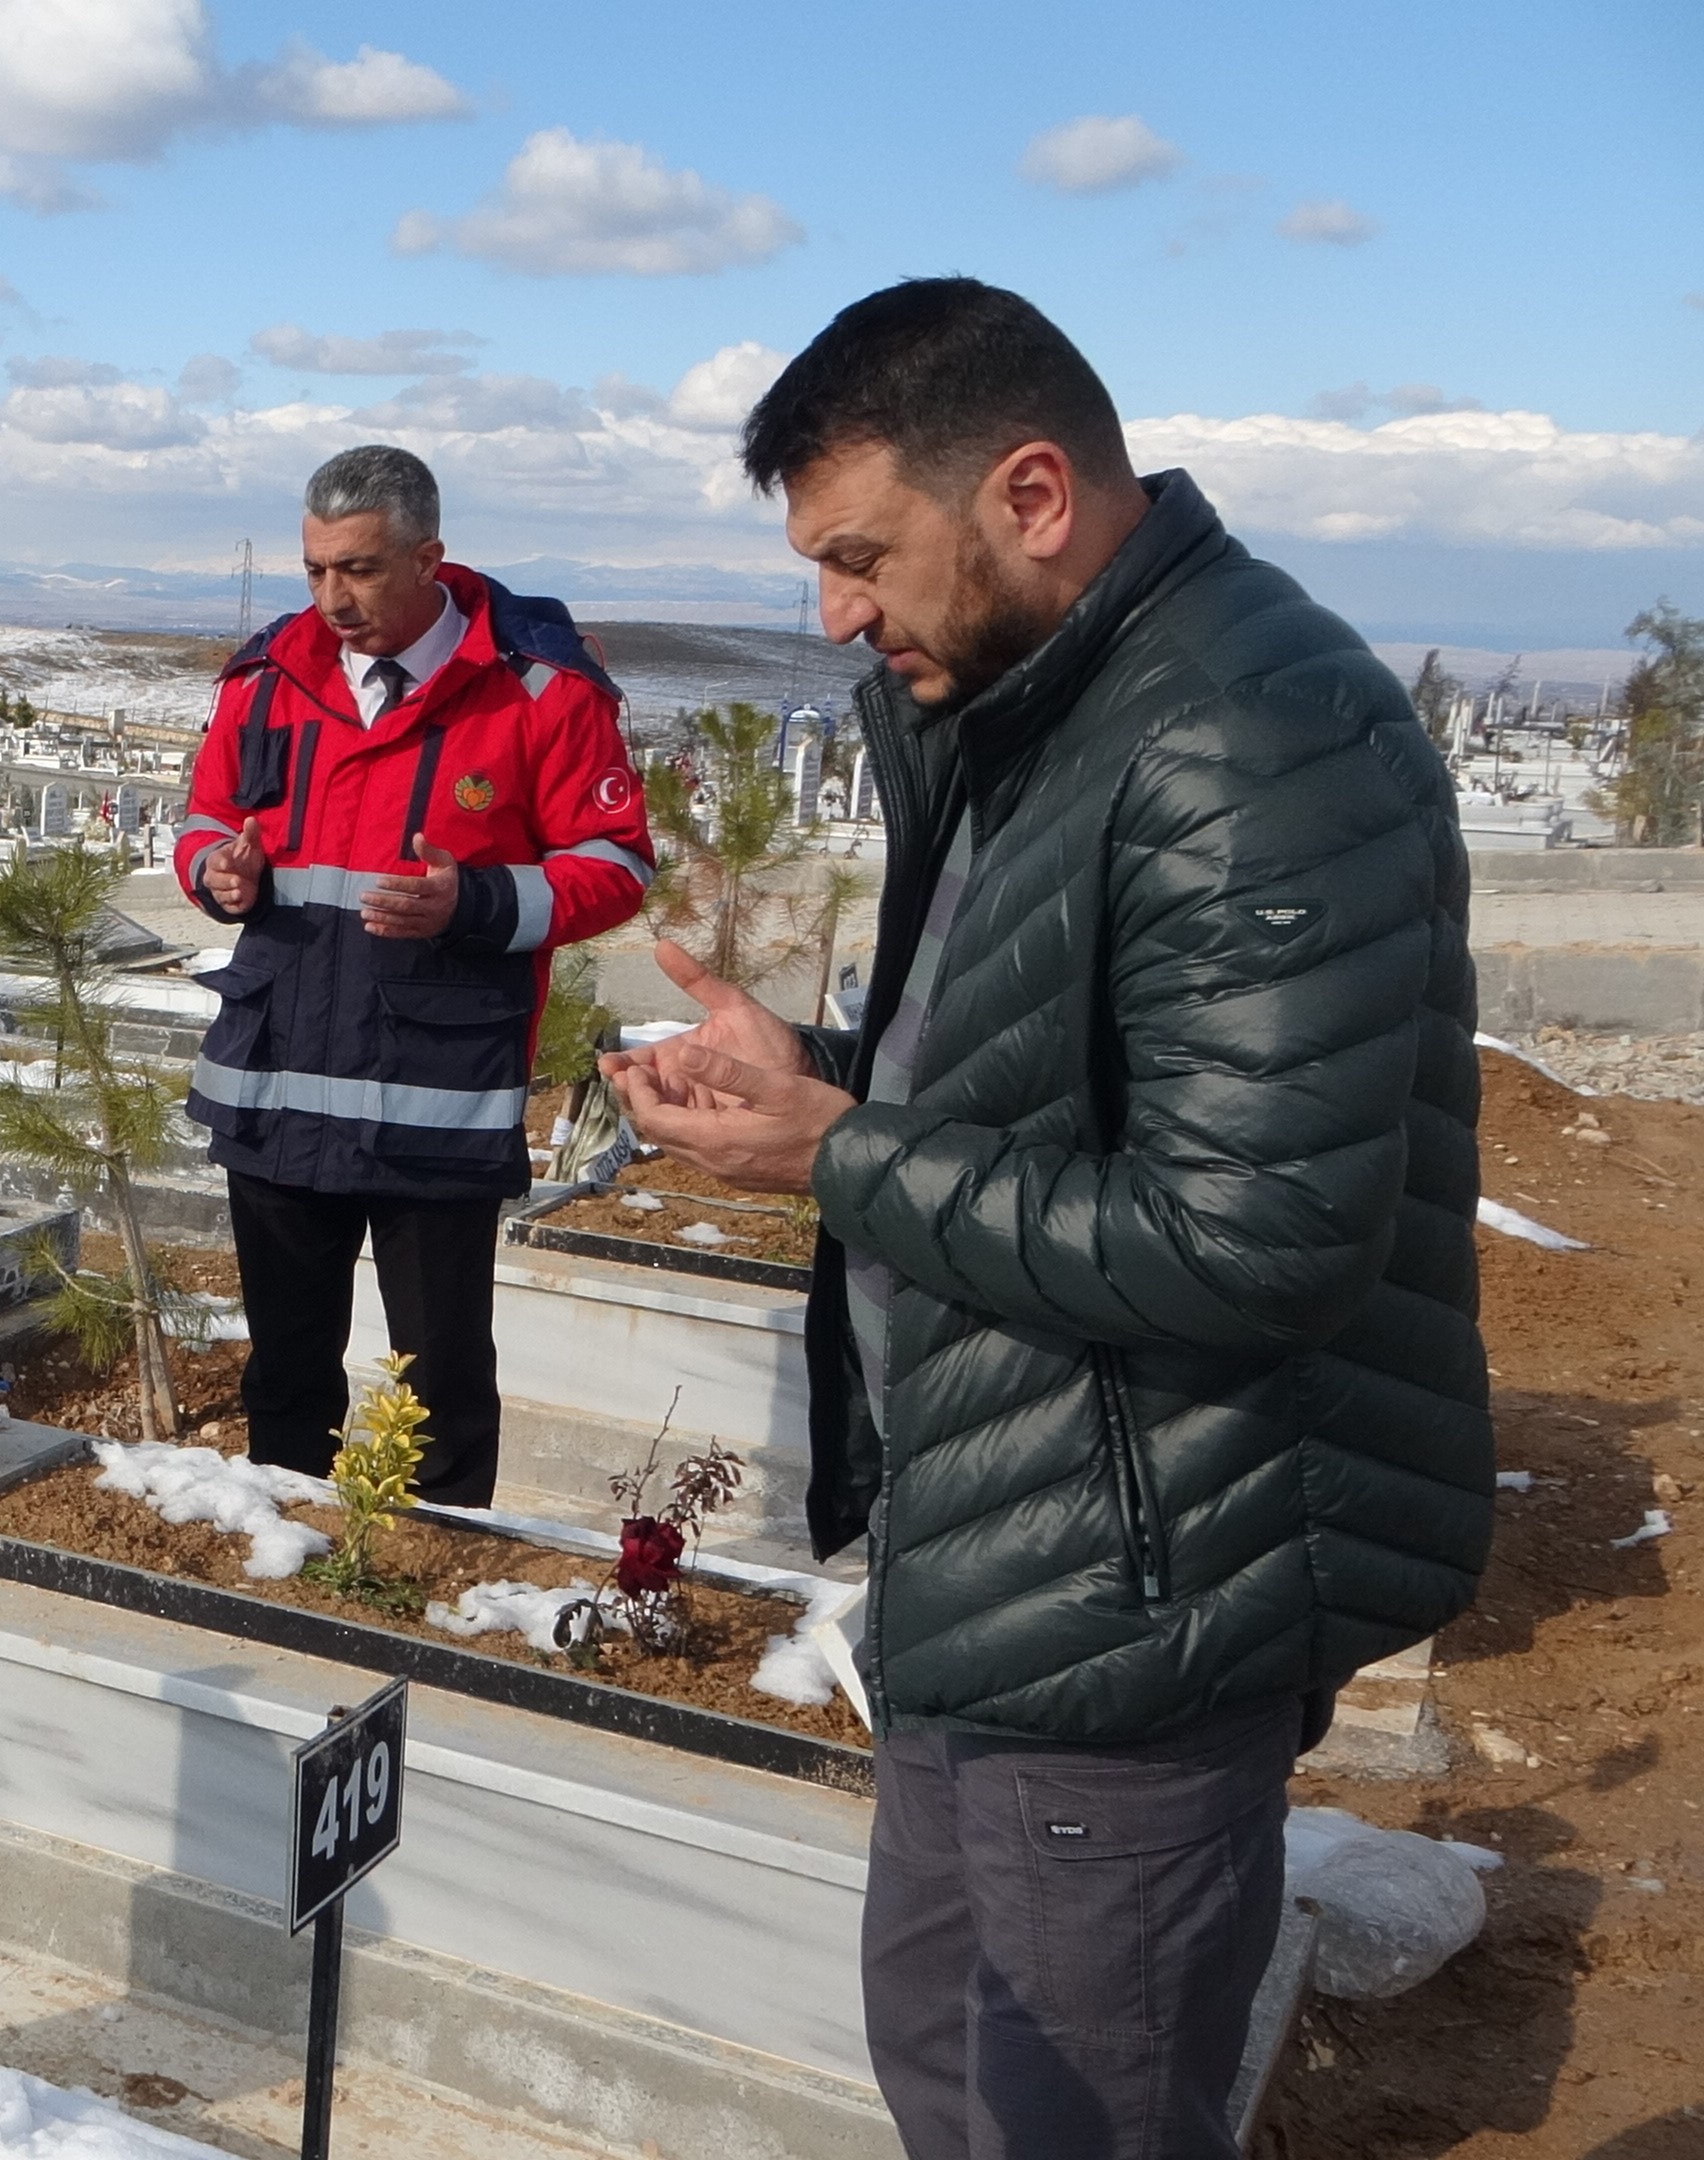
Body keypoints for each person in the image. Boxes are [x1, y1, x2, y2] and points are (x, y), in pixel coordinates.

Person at [602, 279, 1492, 2158]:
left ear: (1029, 495)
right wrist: (815, 1071)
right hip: (1007, 1553)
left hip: (1135, 1599)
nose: (832, 612)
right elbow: (1044, 1081)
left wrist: (835, 1153)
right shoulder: (1043, 707)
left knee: (1068, 2114)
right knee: (954, 2064)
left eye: (860, 556)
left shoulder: (1247, 742)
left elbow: (1253, 1235)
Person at [174, 445, 654, 1499]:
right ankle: (291, 1572)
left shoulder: (540, 691)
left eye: (360, 569)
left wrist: (474, 901)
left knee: (439, 1394)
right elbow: (209, 816)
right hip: (277, 1090)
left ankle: (435, 1606)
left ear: (430, 556)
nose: (331, 599)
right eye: (314, 570)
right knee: (286, 1379)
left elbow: (616, 868)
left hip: (432, 1102)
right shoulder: (266, 679)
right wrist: (217, 871)